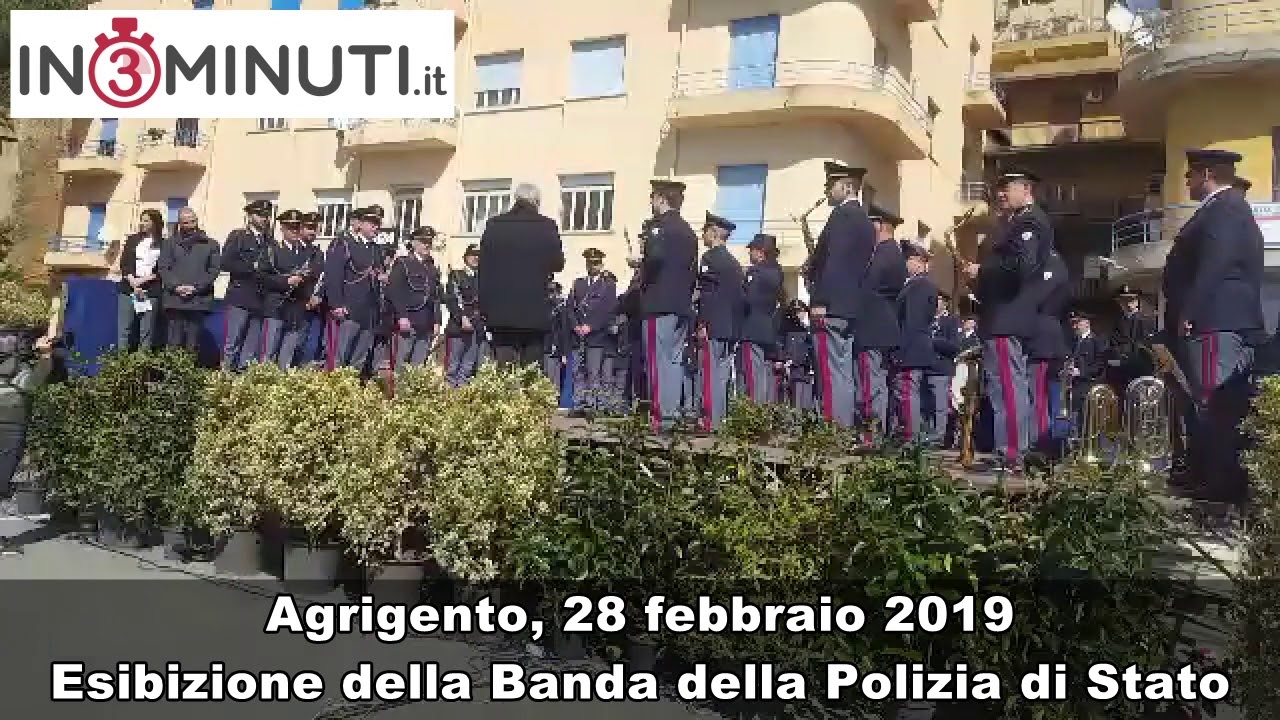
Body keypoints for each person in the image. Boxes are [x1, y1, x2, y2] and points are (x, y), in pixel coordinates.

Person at [1164, 148, 1265, 504]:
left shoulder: (1225, 207)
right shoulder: (1224, 208)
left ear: (1206, 174)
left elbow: (1215, 263)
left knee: (1212, 401)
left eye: (1190, 175)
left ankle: (1218, 484)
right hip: (1215, 319)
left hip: (1214, 320)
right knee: (1210, 402)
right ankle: (1208, 476)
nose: (1187, 182)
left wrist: (1191, 309)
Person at [965, 169, 1052, 474]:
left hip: (1008, 317)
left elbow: (1021, 266)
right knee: (1003, 387)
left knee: (1008, 387)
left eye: (1007, 188)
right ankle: (1010, 450)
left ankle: (1012, 452)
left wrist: (983, 270)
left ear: (1026, 189)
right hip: (1001, 315)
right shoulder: (1014, 223)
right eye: (998, 188)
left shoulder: (1029, 222)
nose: (1000, 194)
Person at [807, 162, 876, 427]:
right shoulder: (864, 221)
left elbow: (835, 261)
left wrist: (822, 299)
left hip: (832, 306)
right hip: (849, 307)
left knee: (829, 372)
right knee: (842, 371)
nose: (826, 190)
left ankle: (833, 429)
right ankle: (842, 426)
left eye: (830, 184)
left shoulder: (843, 216)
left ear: (847, 186)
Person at [477, 182, 566, 369]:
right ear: (536, 201)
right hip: (534, 310)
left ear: (515, 199)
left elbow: (483, 269)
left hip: (500, 312)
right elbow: (558, 264)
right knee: (531, 372)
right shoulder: (546, 226)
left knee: (504, 369)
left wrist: (484, 308)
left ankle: (506, 399)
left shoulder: (494, 225)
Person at [639, 179, 698, 433]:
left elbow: (655, 259)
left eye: (653, 197)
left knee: (656, 360)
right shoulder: (688, 231)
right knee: (674, 361)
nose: (651, 202)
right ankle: (671, 413)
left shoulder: (659, 227)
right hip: (681, 305)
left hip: (658, 303)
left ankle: (660, 417)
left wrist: (639, 263)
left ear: (661, 198)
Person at [857, 205, 907, 443]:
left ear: (879, 226)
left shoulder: (882, 254)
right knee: (877, 383)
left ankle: (871, 434)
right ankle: (877, 432)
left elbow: (866, 287)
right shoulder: (893, 252)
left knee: (870, 383)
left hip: (872, 327)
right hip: (883, 326)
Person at [692, 212, 745, 431]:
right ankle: (720, 418)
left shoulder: (709, 259)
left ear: (713, 232)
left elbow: (707, 295)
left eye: (705, 231)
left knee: (710, 375)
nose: (702, 235)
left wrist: (703, 323)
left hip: (713, 326)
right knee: (722, 376)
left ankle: (709, 421)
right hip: (730, 328)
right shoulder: (733, 263)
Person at [258, 209, 322, 368]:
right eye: (290, 227)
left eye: (297, 227)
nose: (294, 231)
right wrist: (286, 281)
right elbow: (261, 277)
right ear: (282, 229)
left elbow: (314, 276)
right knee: (269, 352)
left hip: (297, 309)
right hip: (276, 307)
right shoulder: (272, 250)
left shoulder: (309, 252)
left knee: (287, 355)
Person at [323, 207, 383, 370]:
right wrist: (336, 304)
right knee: (339, 356)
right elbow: (333, 276)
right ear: (360, 224)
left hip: (368, 312)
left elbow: (377, 275)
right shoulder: (343, 244)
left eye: (378, 223)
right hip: (348, 309)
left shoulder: (376, 249)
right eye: (371, 223)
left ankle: (352, 390)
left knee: (359, 358)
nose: (375, 227)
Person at [1023, 251, 1070, 455]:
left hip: (1043, 344)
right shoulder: (1053, 265)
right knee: (1049, 401)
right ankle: (1049, 443)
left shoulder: (1051, 266)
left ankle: (1042, 443)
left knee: (1042, 401)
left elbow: (1038, 297)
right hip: (1049, 343)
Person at [891, 241, 938, 443]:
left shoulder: (919, 286)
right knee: (907, 393)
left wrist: (901, 351)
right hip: (914, 347)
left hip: (912, 348)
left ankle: (911, 438)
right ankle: (910, 435)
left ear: (918, 261)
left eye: (907, 260)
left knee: (908, 394)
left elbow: (913, 321)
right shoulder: (916, 285)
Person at [159, 207, 220, 355]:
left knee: (193, 345)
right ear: (180, 224)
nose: (192, 225)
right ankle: (171, 376)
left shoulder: (211, 244)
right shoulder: (169, 243)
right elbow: (163, 267)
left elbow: (214, 270)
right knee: (173, 343)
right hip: (175, 300)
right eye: (187, 223)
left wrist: (195, 288)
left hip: (198, 299)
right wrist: (176, 286)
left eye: (194, 221)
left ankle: (189, 376)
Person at [220, 200, 271, 372]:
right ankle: (224, 379)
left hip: (260, 298)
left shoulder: (269, 240)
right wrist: (251, 268)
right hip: (240, 296)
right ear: (250, 216)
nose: (264, 219)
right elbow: (225, 262)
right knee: (232, 343)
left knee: (250, 346)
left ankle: (242, 382)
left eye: (267, 215)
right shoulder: (238, 236)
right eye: (260, 215)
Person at [385, 226, 444, 369]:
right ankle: (399, 391)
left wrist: (437, 321)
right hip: (408, 320)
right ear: (413, 243)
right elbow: (394, 291)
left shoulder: (432, 267)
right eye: (423, 241)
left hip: (426, 323)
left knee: (419, 365)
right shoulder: (403, 263)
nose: (426, 245)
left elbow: (435, 296)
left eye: (429, 242)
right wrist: (402, 316)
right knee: (402, 362)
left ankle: (412, 391)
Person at [567, 248, 617, 410]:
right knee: (577, 371)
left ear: (601, 264)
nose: (592, 266)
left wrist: (591, 326)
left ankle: (593, 404)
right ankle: (579, 403)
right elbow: (570, 308)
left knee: (593, 372)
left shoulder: (607, 285)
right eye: (589, 262)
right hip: (578, 334)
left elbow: (608, 310)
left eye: (595, 263)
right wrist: (575, 325)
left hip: (596, 336)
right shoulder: (578, 283)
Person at [739, 233, 782, 404]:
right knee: (765, 374)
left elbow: (748, 299)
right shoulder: (777, 271)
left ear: (761, 252)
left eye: (752, 250)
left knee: (752, 375)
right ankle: (765, 410)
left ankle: (755, 414)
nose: (750, 254)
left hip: (752, 328)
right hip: (768, 327)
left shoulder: (755, 272)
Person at [116, 208, 164, 353]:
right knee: (125, 330)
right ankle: (122, 366)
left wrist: (144, 280)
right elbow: (124, 263)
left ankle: (141, 366)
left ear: (155, 223)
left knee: (146, 332)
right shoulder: (132, 240)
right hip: (129, 289)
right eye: (141, 220)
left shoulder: (164, 243)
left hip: (149, 291)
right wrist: (132, 281)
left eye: (146, 220)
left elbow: (164, 268)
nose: (142, 223)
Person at [444, 245, 484, 387]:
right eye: (472, 255)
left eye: (479, 255)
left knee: (468, 365)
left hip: (476, 325)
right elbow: (452, 299)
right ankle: (449, 394)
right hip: (459, 326)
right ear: (465, 257)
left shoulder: (483, 278)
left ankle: (461, 396)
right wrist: (462, 317)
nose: (476, 258)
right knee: (453, 364)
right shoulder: (456, 275)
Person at [925, 293, 961, 447]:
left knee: (939, 405)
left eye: (938, 300)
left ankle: (939, 436)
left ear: (945, 303)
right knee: (926, 404)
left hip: (941, 368)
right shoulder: (927, 320)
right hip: (926, 367)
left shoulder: (951, 321)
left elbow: (955, 346)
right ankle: (926, 433)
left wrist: (934, 341)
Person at [1108, 285, 1156, 396]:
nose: (1127, 303)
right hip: (1121, 366)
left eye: (1131, 300)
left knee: (1139, 401)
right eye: (1124, 300)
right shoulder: (1119, 320)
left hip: (1139, 367)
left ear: (1137, 302)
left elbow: (1145, 346)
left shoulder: (1144, 320)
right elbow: (1114, 341)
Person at [780, 299, 813, 410]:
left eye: (801, 311)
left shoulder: (807, 329)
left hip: (803, 371)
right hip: (794, 371)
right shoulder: (790, 330)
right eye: (796, 311)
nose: (799, 314)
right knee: (795, 405)